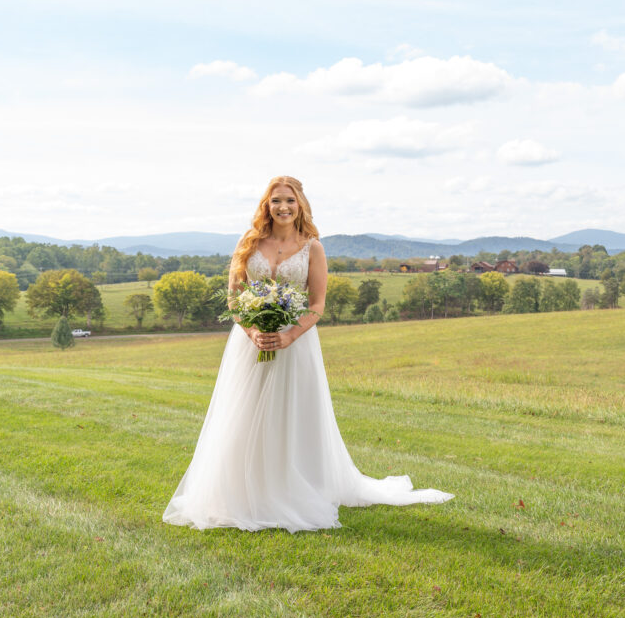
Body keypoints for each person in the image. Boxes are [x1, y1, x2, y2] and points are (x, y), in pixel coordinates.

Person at [162, 176, 453, 532]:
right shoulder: (248, 243)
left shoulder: (312, 248)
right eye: (275, 201)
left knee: (290, 415)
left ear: (300, 205)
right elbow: (234, 300)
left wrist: (290, 336)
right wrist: (253, 329)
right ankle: (241, 491)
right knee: (244, 415)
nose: (283, 207)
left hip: (296, 346)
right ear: (265, 206)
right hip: (249, 346)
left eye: (289, 200)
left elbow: (316, 305)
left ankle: (291, 488)